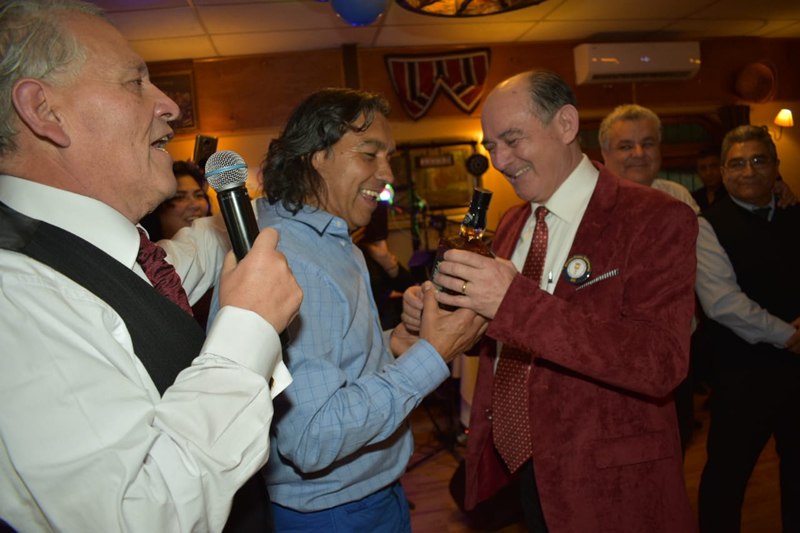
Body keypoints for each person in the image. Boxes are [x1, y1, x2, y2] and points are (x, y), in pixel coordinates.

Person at [0, 1, 302, 532]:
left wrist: (255, 199)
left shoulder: (115, 253)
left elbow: (183, 260)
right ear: (45, 111)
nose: (170, 106)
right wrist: (248, 329)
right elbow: (135, 518)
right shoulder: (16, 293)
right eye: (135, 82)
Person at [406, 70, 699, 532]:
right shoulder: (512, 222)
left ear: (565, 124)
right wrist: (441, 317)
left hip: (609, 483)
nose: (501, 161)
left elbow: (660, 363)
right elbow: (507, 334)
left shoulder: (655, 217)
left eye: (512, 140)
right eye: (492, 147)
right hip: (526, 471)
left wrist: (511, 301)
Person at [236, 88, 487, 532]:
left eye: (389, 157)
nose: (387, 174)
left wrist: (395, 344)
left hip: (369, 496)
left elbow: (332, 365)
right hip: (335, 515)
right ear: (316, 155)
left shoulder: (335, 240)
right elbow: (311, 438)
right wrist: (433, 356)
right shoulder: (294, 261)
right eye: (370, 154)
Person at [695, 125, 800, 533]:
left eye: (759, 160)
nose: (749, 171)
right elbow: (723, 303)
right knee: (726, 479)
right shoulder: (706, 225)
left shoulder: (794, 211)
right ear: (723, 172)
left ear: (776, 166)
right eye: (737, 163)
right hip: (743, 376)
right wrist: (789, 335)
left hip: (797, 373)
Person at [141, 160, 215, 327]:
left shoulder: (215, 253)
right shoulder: (149, 265)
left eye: (198, 195)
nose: (194, 205)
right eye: (180, 197)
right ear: (159, 208)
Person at [693, 145, 728, 212]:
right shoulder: (694, 198)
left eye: (714, 166)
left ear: (722, 168)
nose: (708, 173)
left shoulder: (731, 195)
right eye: (703, 168)